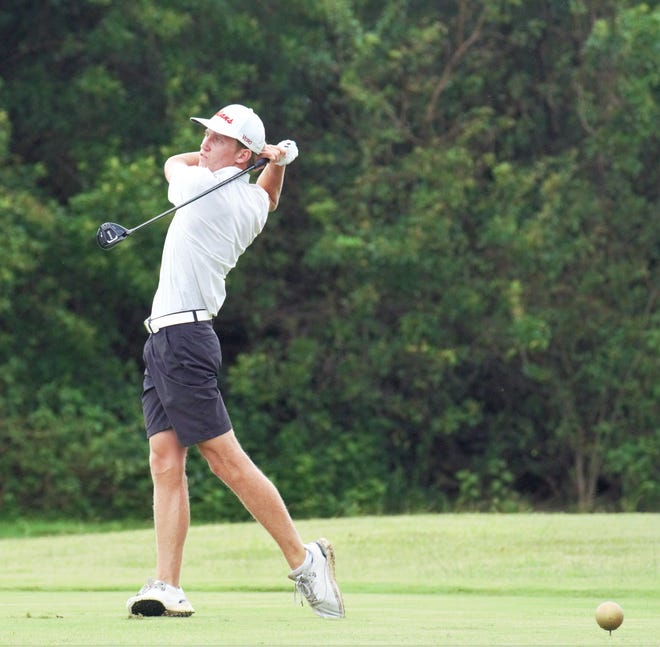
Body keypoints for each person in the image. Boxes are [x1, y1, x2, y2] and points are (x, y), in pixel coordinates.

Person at [125, 104, 345, 620]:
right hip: (166, 339)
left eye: (218, 139)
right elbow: (267, 197)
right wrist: (277, 163)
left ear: (240, 154)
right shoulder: (249, 199)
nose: (204, 144)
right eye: (206, 135)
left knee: (224, 459)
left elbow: (170, 164)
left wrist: (263, 159)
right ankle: (167, 585)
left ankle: (303, 558)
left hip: (183, 339)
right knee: (164, 461)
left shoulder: (204, 188)